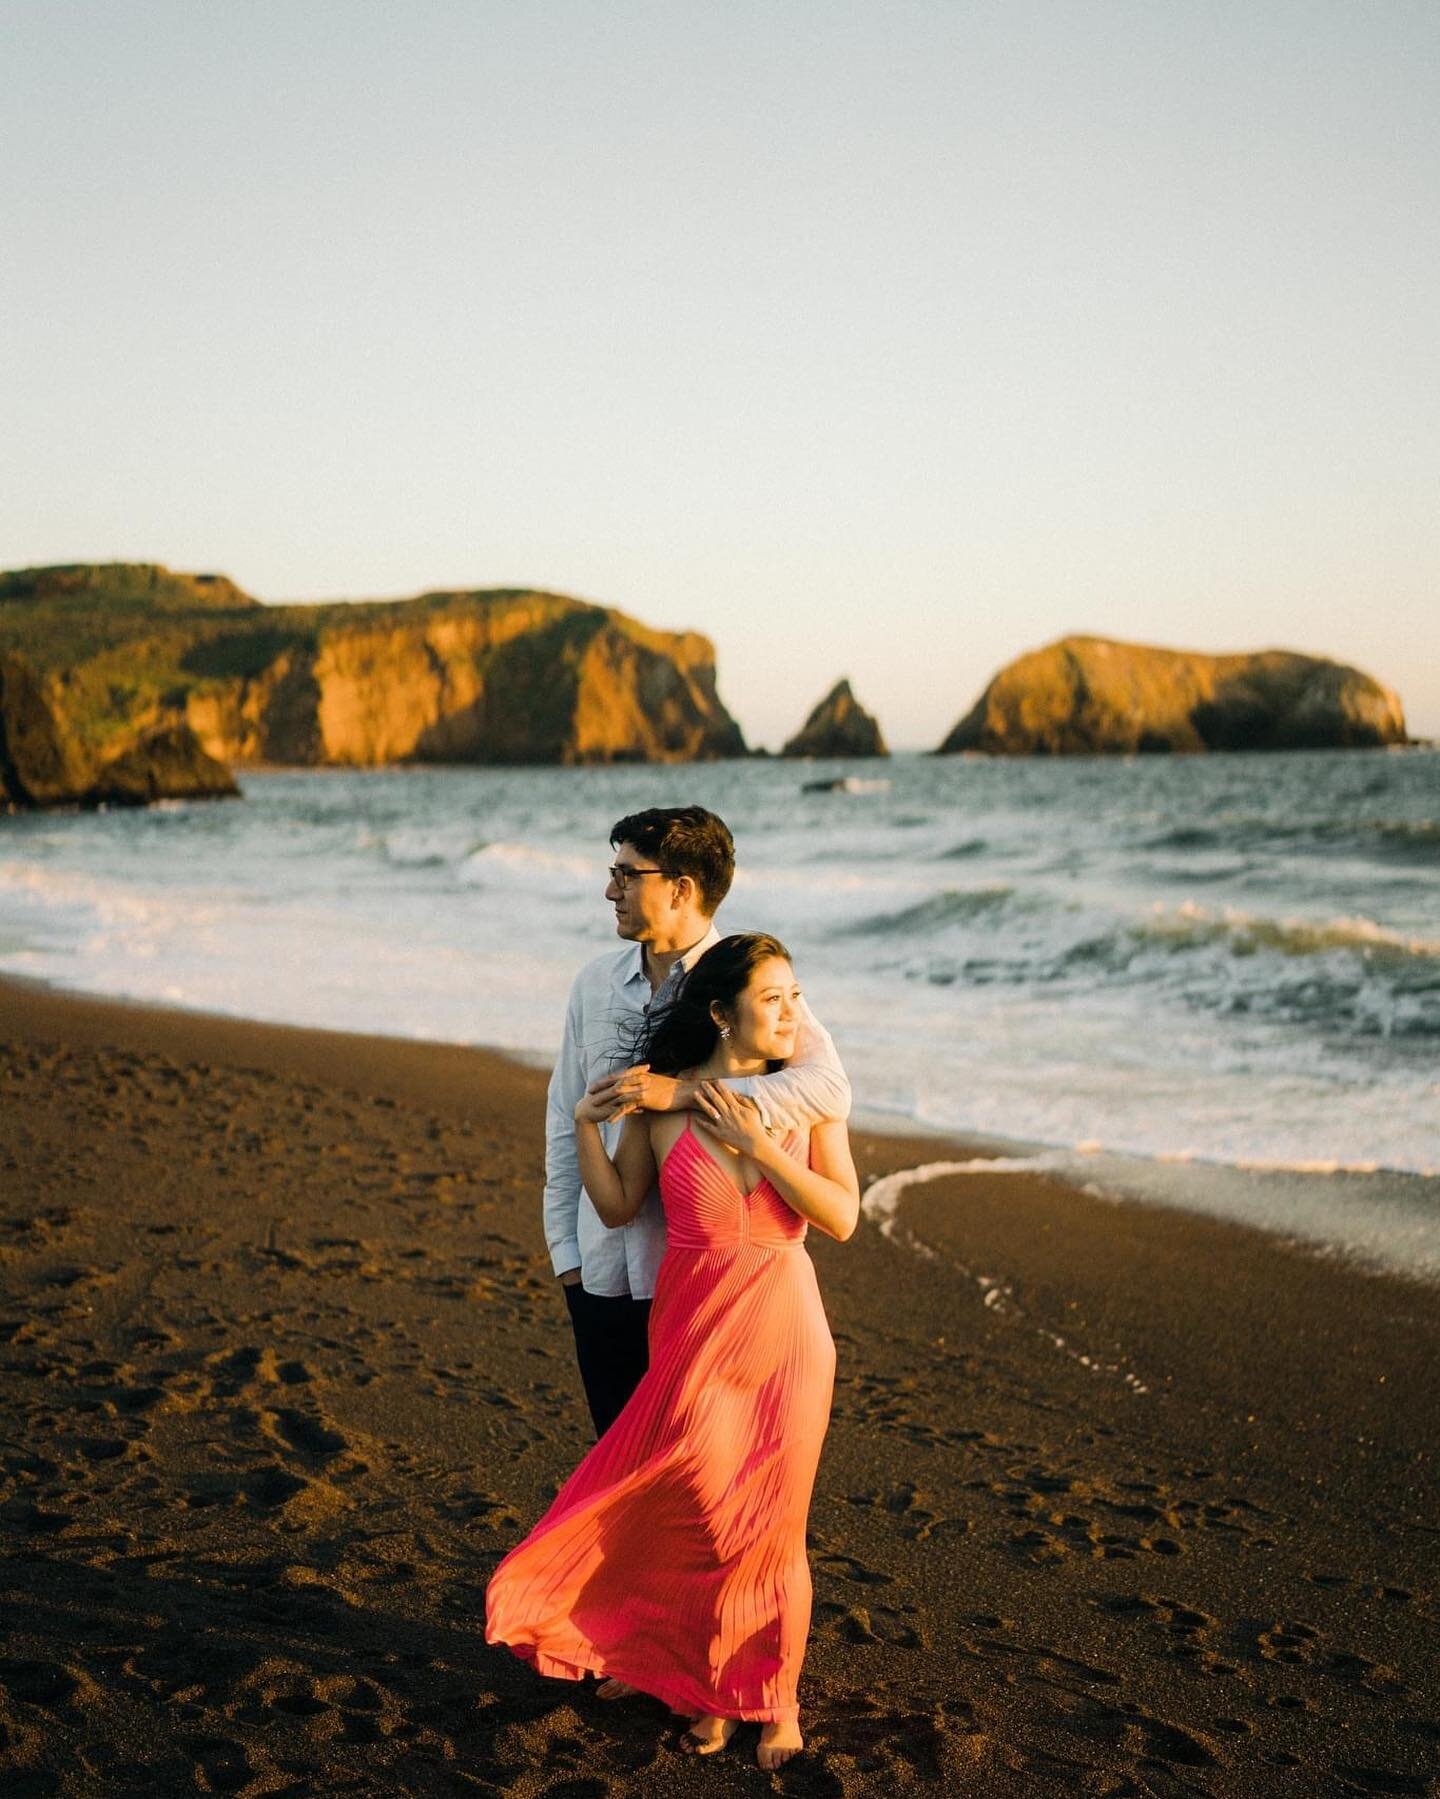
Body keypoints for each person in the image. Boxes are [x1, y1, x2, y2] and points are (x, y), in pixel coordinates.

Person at [487, 934, 859, 1771]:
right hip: (695, 1334)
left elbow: (841, 1216)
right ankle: (703, 1686)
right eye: (777, 999)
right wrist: (586, 1124)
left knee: (774, 1523)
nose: (796, 1015)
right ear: (722, 1014)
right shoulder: (661, 1109)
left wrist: (764, 1147)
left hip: (787, 1333)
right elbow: (617, 1206)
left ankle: (775, 1698)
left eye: (797, 997)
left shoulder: (809, 1105)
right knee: (704, 1512)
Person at [544, 806, 850, 1441]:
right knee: (617, 1468)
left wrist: (680, 1094)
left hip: (694, 1288)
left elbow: (828, 1087)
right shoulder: (594, 985)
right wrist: (565, 1257)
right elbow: (564, 1117)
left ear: (680, 888)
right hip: (599, 1270)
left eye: (627, 875)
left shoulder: (753, 982)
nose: (611, 890)